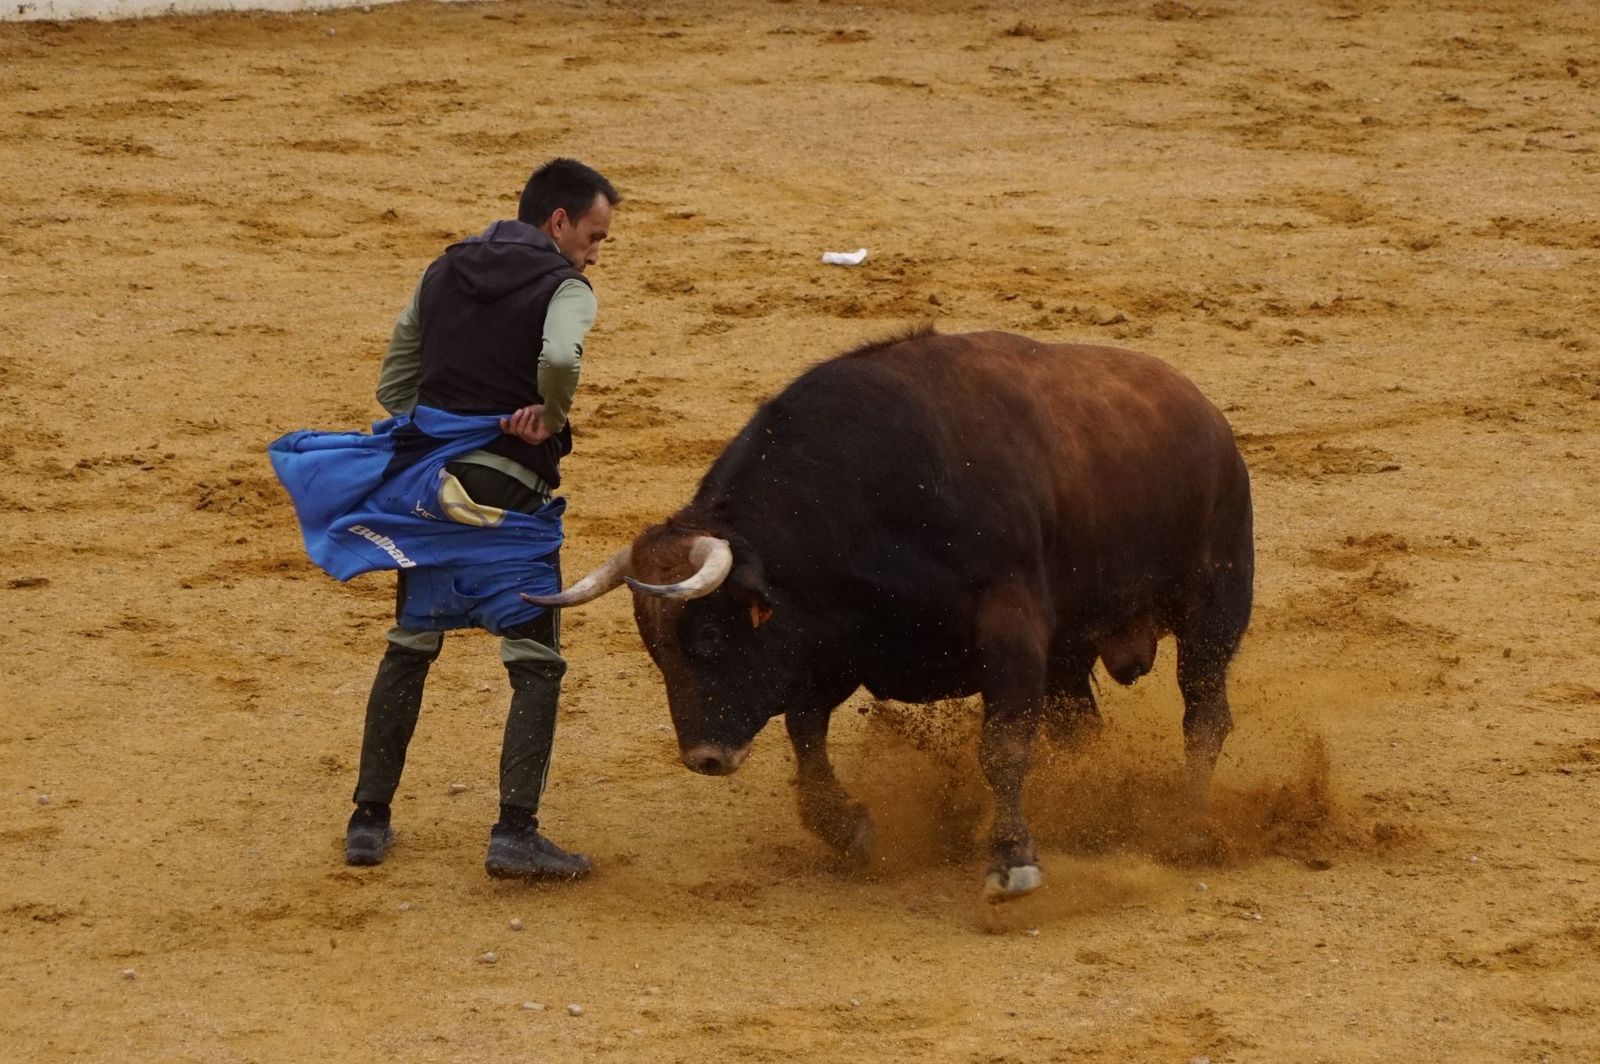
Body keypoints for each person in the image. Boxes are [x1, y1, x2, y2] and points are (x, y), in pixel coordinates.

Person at [342, 158, 619, 880]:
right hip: (512, 489)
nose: (595, 253)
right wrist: (550, 416)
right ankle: (514, 832)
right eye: (593, 236)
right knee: (535, 663)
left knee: (409, 644)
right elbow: (559, 355)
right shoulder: (567, 287)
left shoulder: (442, 272)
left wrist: (438, 430)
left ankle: (368, 822)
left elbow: (394, 381)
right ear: (557, 222)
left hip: (432, 490)